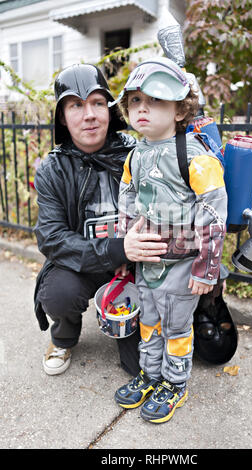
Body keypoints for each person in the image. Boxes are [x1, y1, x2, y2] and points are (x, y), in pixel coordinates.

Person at [111, 57, 228, 423]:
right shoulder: (136, 156)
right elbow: (127, 203)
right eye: (135, 101)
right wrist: (124, 250)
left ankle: (175, 382)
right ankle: (150, 374)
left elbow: (213, 212)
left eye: (156, 100)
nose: (142, 108)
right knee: (149, 320)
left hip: (182, 264)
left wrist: (206, 268)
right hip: (149, 261)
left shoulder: (194, 156)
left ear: (180, 109)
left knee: (177, 324)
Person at [33, 63, 168, 377]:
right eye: (76, 106)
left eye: (96, 102)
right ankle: (62, 337)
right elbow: (51, 238)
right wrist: (118, 250)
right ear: (63, 118)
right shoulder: (52, 170)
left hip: (137, 264)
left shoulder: (139, 154)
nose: (89, 114)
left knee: (139, 368)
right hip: (83, 265)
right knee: (58, 294)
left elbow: (167, 210)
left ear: (109, 109)